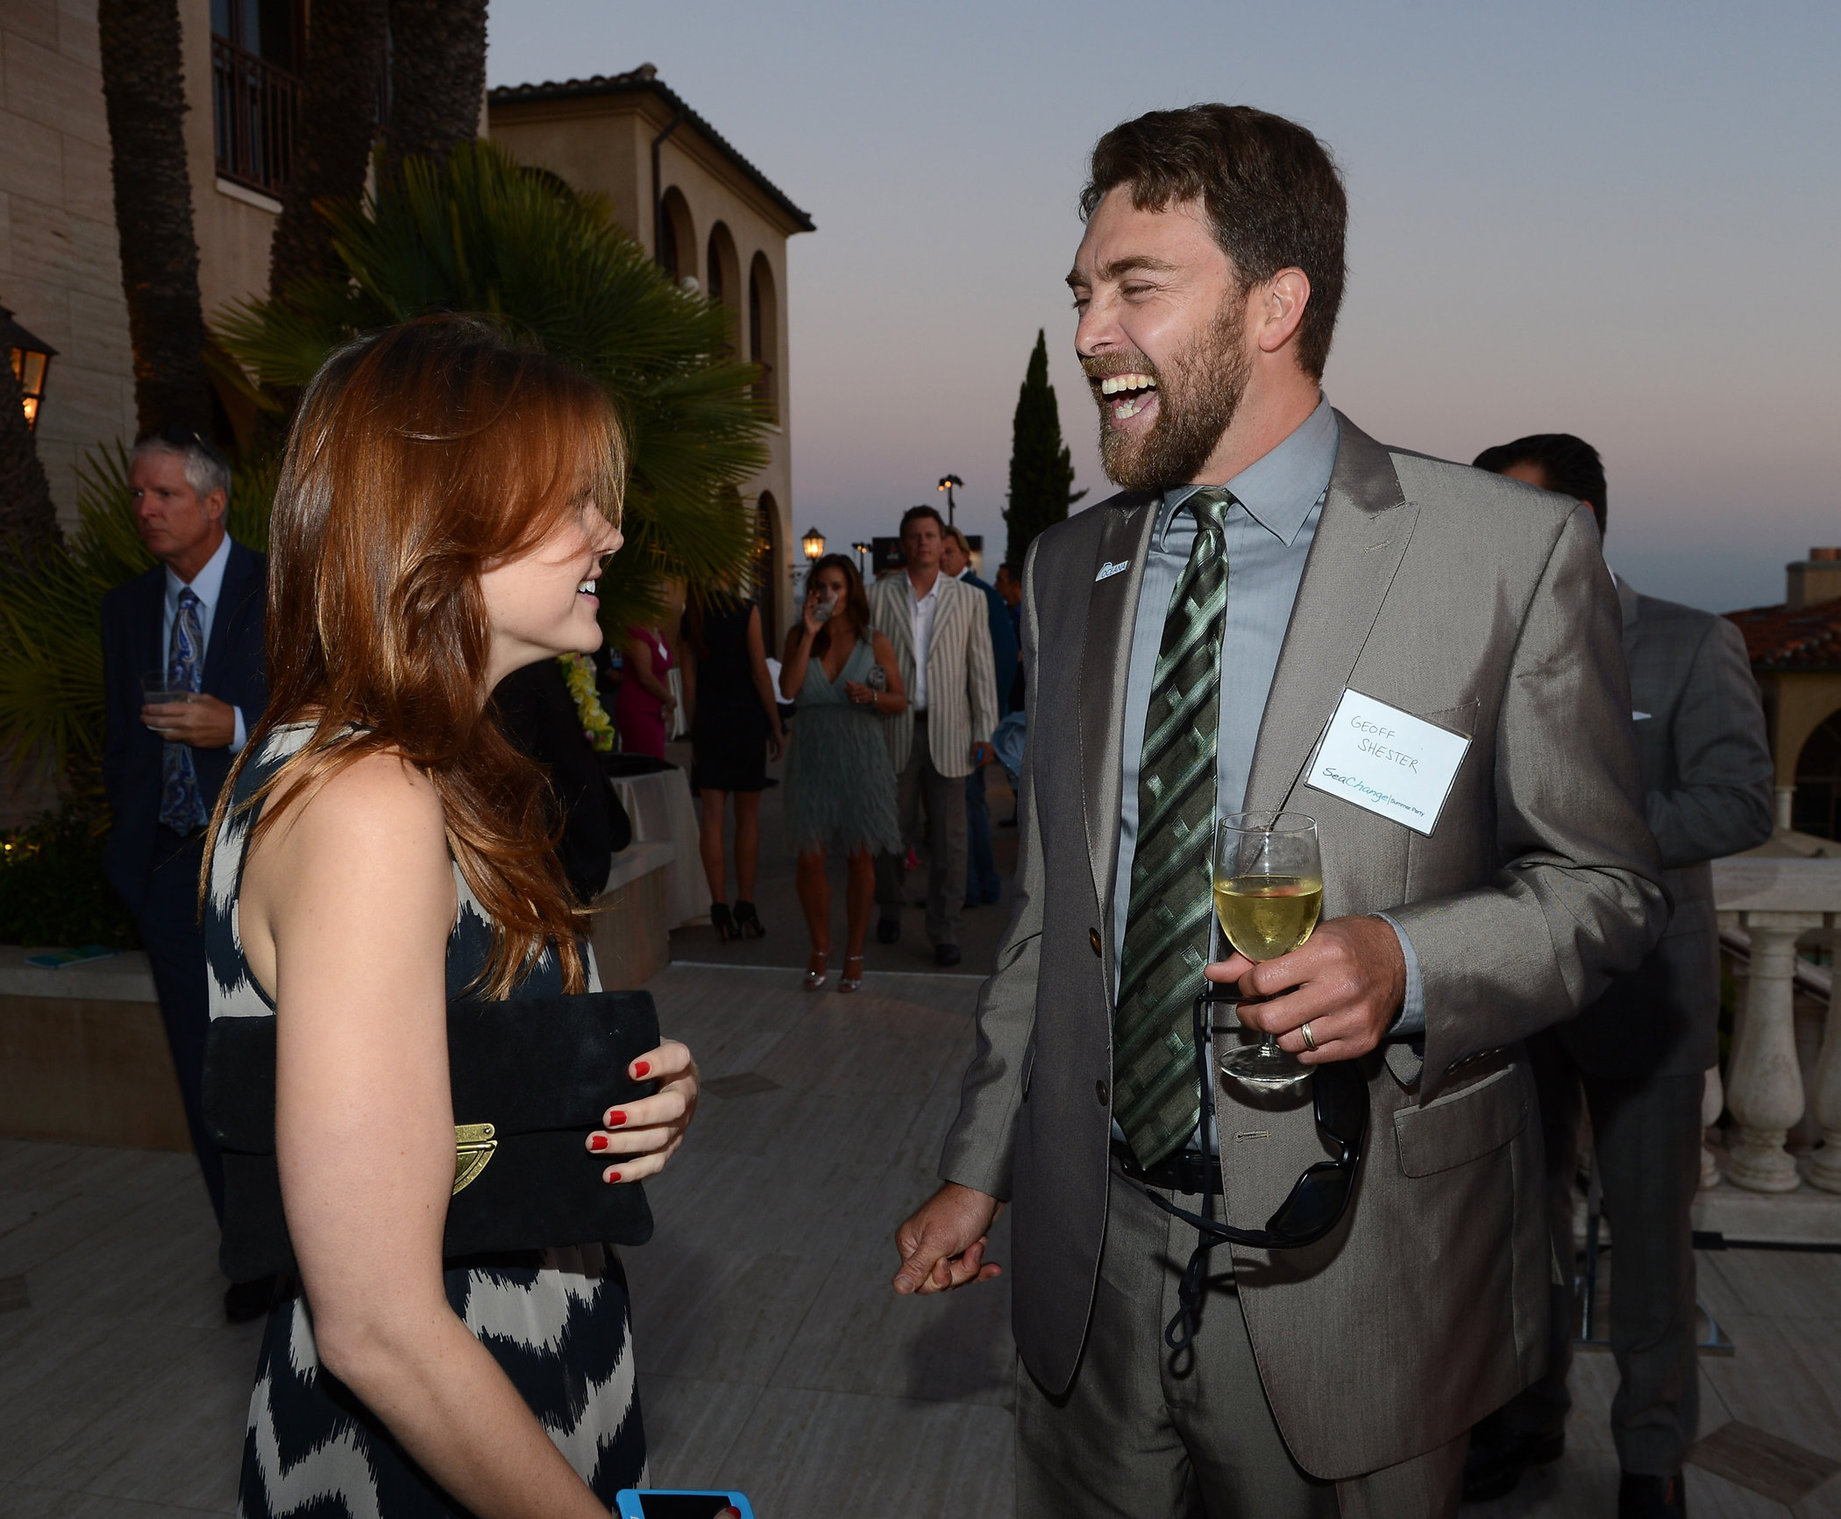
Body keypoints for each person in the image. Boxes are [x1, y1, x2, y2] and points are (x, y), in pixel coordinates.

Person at [892, 105, 1667, 1517]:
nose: (1085, 334)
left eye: (1135, 285)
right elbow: (1053, 913)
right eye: (1080, 292)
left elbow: (1605, 887)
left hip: (1353, 1258)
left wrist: (1409, 963)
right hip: (1092, 1259)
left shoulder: (1502, 554)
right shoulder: (1068, 567)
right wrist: (980, 1167)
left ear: (1275, 303)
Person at [205, 316, 699, 1515]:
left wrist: (596, 1098)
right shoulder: (370, 797)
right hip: (430, 1456)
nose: (610, 533)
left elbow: (426, 1087)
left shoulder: (394, 766)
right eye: (571, 500)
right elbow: (374, 1322)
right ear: (442, 522)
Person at [1463, 434, 1773, 1517]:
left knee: (1648, 1241)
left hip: (1645, 999)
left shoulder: (1691, 645)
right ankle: (1522, 1420)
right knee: (1515, 1232)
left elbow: (1739, 800)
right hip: (1511, 990)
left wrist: (1589, 833)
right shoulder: (1474, 643)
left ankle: (1650, 1455)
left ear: (1584, 520)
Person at [100, 424, 269, 1320]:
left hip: (265, 871)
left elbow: (325, 715)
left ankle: (308, 1241)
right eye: (138, 494)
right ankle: (248, 1254)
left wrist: (235, 727)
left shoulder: (277, 589)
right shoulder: (126, 609)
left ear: (214, 502)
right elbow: (119, 745)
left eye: (163, 494)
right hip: (167, 874)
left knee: (276, 1064)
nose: (146, 509)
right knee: (202, 1070)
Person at [869, 506, 999, 966]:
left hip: (952, 736)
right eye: (915, 536)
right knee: (890, 835)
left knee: (951, 842)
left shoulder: (968, 600)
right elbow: (869, 660)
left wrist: (986, 729)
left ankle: (946, 929)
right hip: (893, 731)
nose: (923, 543)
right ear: (903, 544)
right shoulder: (880, 595)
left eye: (930, 535)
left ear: (942, 542)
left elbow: (980, 670)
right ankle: (889, 907)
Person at [780, 553, 906, 991]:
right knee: (809, 858)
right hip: (812, 757)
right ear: (812, 591)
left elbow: (899, 700)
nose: (830, 594)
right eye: (822, 586)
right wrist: (810, 632)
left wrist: (871, 699)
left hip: (860, 756)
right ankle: (820, 947)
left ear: (851, 591)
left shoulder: (876, 641)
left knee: (860, 857)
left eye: (838, 586)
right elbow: (789, 690)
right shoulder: (800, 635)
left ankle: (854, 952)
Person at [681, 581, 786, 939]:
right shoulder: (746, 611)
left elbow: (690, 685)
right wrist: (775, 724)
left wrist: (694, 732)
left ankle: (719, 908)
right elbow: (760, 672)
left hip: (710, 722)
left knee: (711, 817)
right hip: (744, 721)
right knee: (748, 818)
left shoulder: (691, 617)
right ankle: (746, 903)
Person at [940, 525, 1020, 909]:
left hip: (971, 727)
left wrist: (988, 726)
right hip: (945, 727)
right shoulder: (940, 594)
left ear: (963, 555)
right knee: (961, 809)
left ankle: (978, 886)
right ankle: (973, 883)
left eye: (949, 550)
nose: (941, 557)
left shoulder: (982, 596)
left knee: (970, 807)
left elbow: (1002, 662)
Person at [613, 622, 675, 758]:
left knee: (657, 760)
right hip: (639, 708)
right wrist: (669, 699)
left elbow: (664, 671)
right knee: (646, 762)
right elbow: (645, 676)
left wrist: (668, 703)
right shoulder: (637, 634)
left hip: (658, 707)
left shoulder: (659, 631)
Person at [993, 561, 1027, 712]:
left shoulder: (1030, 617)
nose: (995, 585)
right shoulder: (1003, 615)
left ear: (1015, 585)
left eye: (1001, 580)